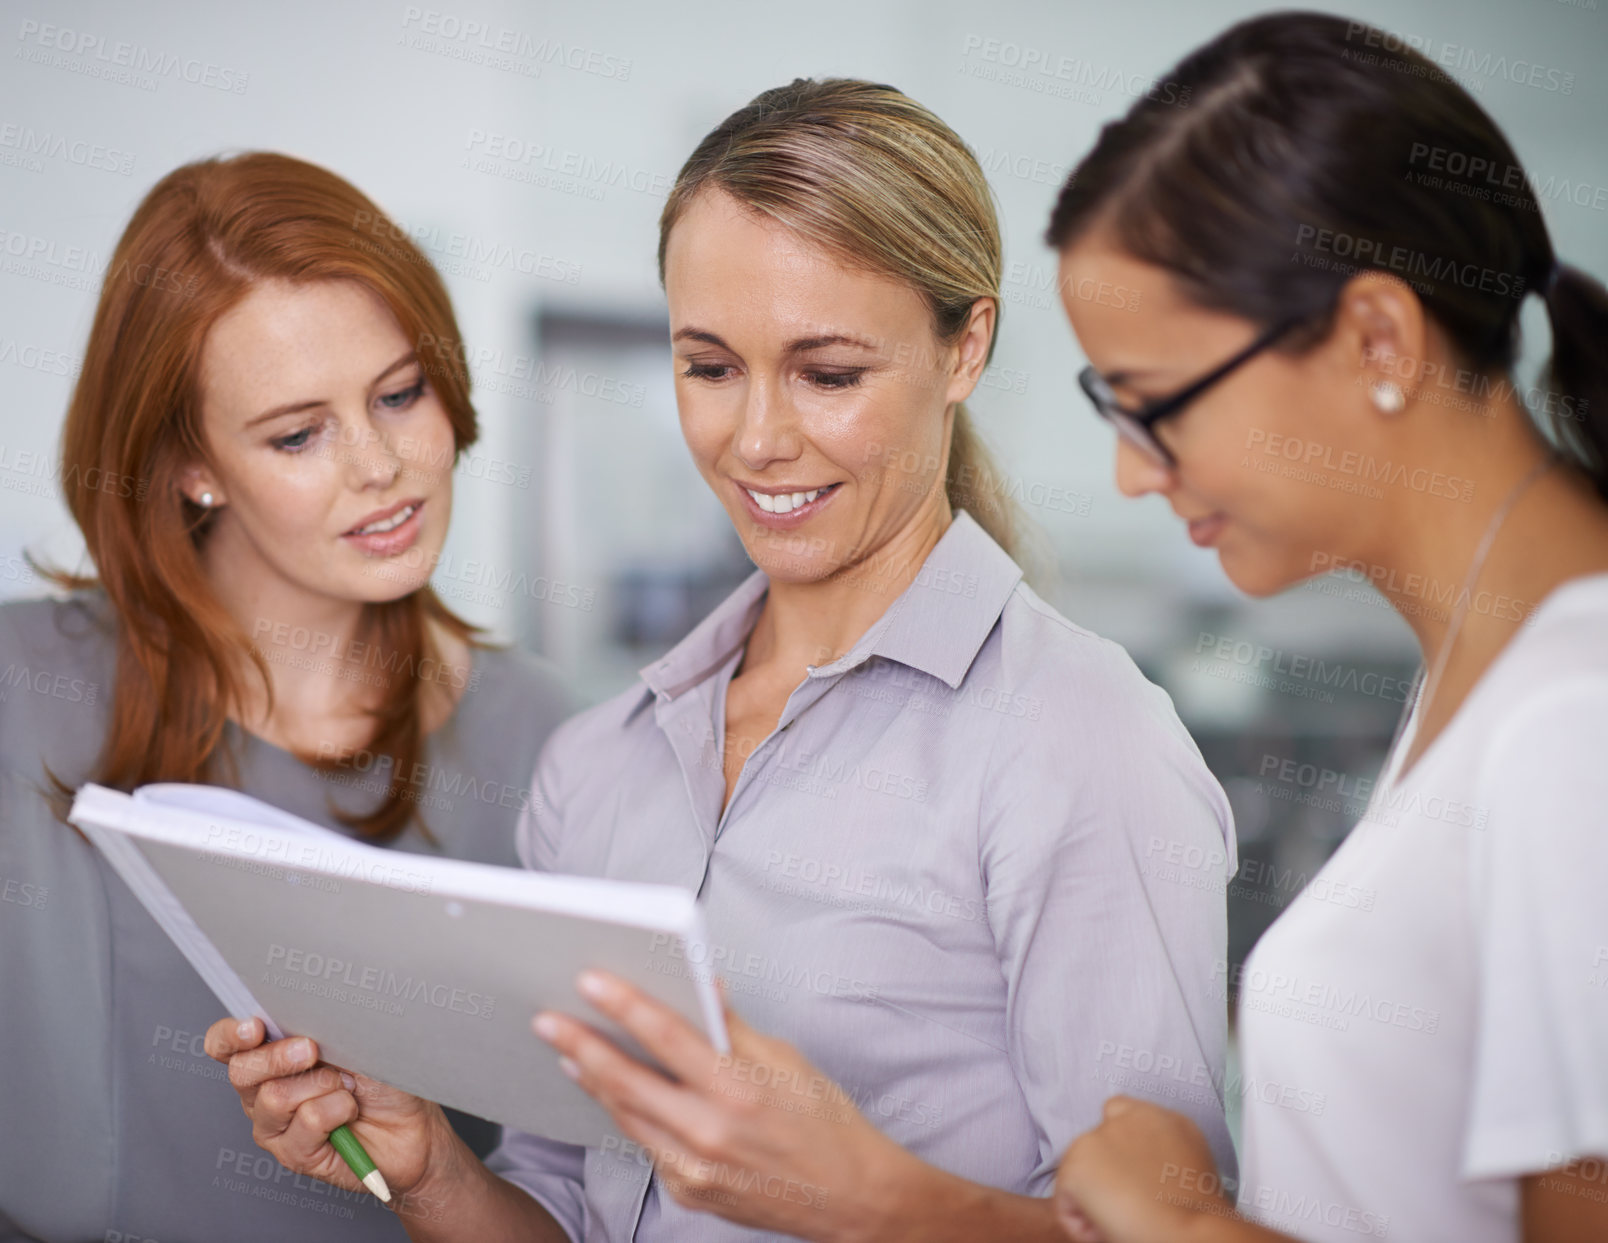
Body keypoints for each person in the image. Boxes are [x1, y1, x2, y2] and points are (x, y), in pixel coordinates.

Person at [207, 79, 1236, 1242]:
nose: (755, 438)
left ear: (966, 349)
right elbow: (568, 1203)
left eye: (828, 373)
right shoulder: (599, 763)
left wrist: (868, 1199)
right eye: (708, 367)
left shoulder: (1081, 743)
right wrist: (438, 1170)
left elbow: (1170, 1232)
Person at [1042, 13, 1608, 1243]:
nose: (1136, 475)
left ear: (1377, 339)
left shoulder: (1576, 719)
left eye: (1154, 407)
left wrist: (1185, 1223)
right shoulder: (1488, 677)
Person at [0, 152, 569, 1243]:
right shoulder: (20, 693)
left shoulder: (558, 745)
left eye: (402, 393)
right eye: (298, 433)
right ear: (188, 464)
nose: (381, 465)